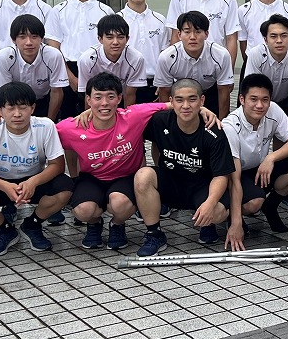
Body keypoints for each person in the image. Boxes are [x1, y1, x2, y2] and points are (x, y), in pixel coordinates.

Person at [56, 73, 214, 251]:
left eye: (110, 97)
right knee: (83, 210)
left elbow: (172, 105)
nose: (104, 103)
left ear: (119, 98)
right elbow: (44, 135)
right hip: (92, 178)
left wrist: (201, 109)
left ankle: (117, 224)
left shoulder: (134, 116)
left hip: (125, 177)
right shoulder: (74, 126)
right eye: (97, 97)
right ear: (88, 99)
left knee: (119, 203)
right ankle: (94, 224)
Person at [0, 82, 73, 256]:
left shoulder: (45, 126)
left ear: (32, 108)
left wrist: (33, 182)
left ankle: (32, 224)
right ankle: (4, 229)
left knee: (65, 187)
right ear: (0, 110)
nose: (17, 114)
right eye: (11, 108)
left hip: (35, 179)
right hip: (1, 181)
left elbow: (57, 164)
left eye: (23, 107)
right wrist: (4, 186)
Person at [133, 79, 234, 255]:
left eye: (192, 99)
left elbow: (221, 175)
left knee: (217, 211)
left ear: (202, 101)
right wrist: (91, 111)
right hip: (171, 182)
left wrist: (210, 203)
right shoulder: (160, 121)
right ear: (171, 102)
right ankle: (154, 234)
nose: (186, 106)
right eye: (179, 100)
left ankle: (207, 223)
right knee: (143, 176)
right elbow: (127, 116)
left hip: (202, 186)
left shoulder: (214, 131)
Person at [222, 73, 288, 247]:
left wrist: (271, 157)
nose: (260, 105)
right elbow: (234, 179)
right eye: (253, 99)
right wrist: (236, 224)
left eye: (265, 100)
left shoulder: (273, 109)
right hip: (237, 173)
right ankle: (232, 215)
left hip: (261, 166)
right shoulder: (230, 126)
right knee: (254, 204)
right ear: (242, 99)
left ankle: (271, 206)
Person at [54, 0, 116, 119]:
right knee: (69, 120)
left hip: (98, 69)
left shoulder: (106, 11)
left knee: (97, 118)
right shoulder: (58, 11)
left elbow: (111, 45)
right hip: (67, 70)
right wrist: (71, 78)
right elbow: (54, 48)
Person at [155, 11, 235, 116]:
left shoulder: (221, 55)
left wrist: (222, 121)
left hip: (210, 92)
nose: (192, 37)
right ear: (179, 35)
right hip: (181, 94)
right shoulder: (166, 57)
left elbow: (223, 90)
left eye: (198, 32)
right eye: (187, 32)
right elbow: (164, 91)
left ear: (206, 34)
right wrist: (167, 120)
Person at [0, 15, 69, 120]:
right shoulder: (3, 57)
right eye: (22, 37)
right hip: (15, 102)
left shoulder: (53, 56)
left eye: (34, 36)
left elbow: (56, 91)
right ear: (13, 39)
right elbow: (3, 92)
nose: (29, 42)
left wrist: (50, 121)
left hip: (44, 101)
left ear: (42, 38)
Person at [119, 0, 168, 104]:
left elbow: (165, 53)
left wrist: (162, 82)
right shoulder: (117, 20)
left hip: (153, 84)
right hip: (125, 84)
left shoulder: (160, 20)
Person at [77, 14, 144, 108]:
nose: (115, 42)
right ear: (100, 39)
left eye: (120, 37)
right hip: (97, 98)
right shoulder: (87, 60)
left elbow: (130, 94)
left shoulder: (136, 59)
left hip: (122, 98)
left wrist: (126, 116)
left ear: (127, 39)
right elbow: (88, 95)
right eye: (109, 37)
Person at [244, 14, 288, 120]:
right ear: (265, 40)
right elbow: (252, 90)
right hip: (261, 102)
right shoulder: (255, 54)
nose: (279, 41)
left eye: (284, 36)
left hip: (286, 101)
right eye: (273, 36)